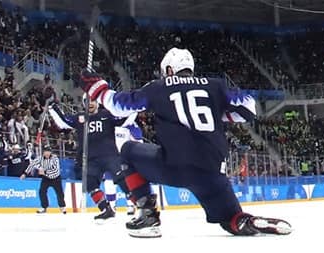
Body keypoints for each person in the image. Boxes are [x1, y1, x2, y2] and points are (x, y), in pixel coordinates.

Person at [80, 47, 292, 238]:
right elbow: (248, 109)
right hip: (212, 172)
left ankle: (148, 216)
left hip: (175, 167)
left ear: (169, 70)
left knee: (127, 151)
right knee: (230, 219)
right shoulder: (215, 86)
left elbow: (119, 106)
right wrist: (219, 113)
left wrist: (97, 87)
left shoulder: (159, 86)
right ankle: (245, 221)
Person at [48, 99, 139, 221]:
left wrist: (135, 106)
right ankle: (106, 209)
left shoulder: (107, 115)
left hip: (110, 156)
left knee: (124, 182)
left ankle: (142, 207)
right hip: (91, 159)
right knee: (90, 184)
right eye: (87, 101)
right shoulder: (79, 118)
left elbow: (124, 120)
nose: (90, 103)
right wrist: (52, 108)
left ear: (97, 103)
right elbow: (63, 121)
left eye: (93, 101)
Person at [20, 145, 67, 214]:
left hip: (56, 178)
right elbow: (32, 164)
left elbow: (56, 170)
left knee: (59, 193)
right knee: (42, 192)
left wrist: (44, 172)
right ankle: (44, 207)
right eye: (45, 151)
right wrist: (25, 173)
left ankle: (62, 206)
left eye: (48, 151)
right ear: (43, 152)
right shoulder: (40, 158)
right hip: (46, 178)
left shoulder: (55, 158)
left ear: (51, 152)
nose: (47, 153)